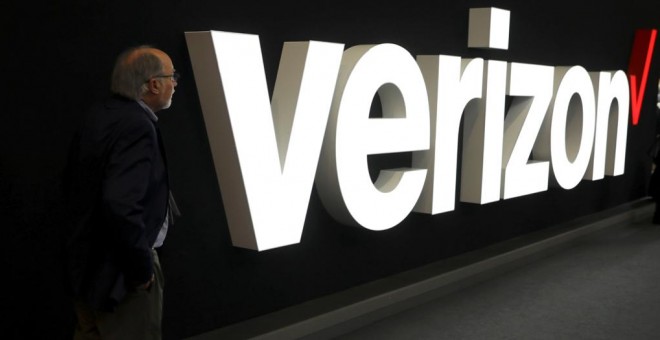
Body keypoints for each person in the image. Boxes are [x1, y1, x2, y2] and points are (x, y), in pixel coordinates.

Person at [63, 45, 179, 339]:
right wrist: (141, 271)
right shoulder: (136, 126)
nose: (175, 84)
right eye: (171, 76)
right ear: (154, 84)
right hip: (120, 276)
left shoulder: (100, 114)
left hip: (86, 269)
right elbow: (121, 204)